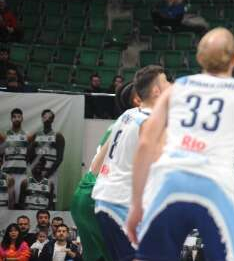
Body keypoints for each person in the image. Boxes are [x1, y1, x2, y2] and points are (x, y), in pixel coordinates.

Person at [125, 27, 234, 261]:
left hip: (168, 183)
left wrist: (136, 203)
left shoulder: (176, 89)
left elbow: (145, 144)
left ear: (199, 57)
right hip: (215, 187)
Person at [92, 66, 170, 261]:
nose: (171, 85)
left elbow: (95, 166)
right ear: (156, 91)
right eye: (166, 81)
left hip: (105, 200)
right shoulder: (150, 123)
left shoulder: (128, 115)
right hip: (121, 205)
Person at [71, 81, 136, 261]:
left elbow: (95, 167)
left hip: (85, 191)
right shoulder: (139, 121)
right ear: (139, 99)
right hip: (101, 197)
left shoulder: (122, 122)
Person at [28, 109, 65, 186]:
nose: (47, 119)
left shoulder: (58, 136)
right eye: (45, 117)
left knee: (50, 196)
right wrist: (33, 145)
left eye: (49, 117)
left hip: (51, 175)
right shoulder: (36, 135)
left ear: (52, 120)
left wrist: (47, 175)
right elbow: (29, 156)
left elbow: (60, 158)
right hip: (36, 175)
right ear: (42, 118)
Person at [0, 108, 29, 200]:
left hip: (21, 174)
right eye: (14, 117)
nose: (16, 119)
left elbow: (30, 155)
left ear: (22, 118)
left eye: (19, 117)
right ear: (11, 119)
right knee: (7, 201)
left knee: (19, 202)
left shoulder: (27, 135)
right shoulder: (5, 135)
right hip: (8, 173)